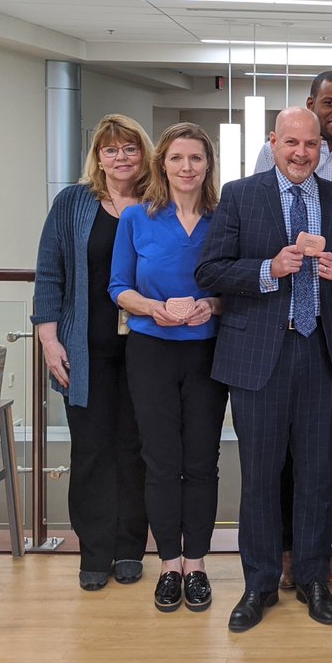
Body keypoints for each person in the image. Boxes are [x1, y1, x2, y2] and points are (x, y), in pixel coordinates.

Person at [196, 106, 332, 632]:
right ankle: (259, 584)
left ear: (323, 147)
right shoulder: (239, 195)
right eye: (292, 142)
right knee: (261, 476)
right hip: (259, 359)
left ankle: (314, 578)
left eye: (311, 145)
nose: (301, 153)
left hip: (325, 354)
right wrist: (266, 270)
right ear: (273, 141)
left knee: (320, 474)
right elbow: (210, 270)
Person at [108, 122, 228, 614]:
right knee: (161, 461)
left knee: (201, 461)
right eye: (177, 158)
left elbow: (233, 284)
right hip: (151, 350)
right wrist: (151, 309)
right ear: (163, 164)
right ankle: (169, 564)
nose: (186, 167)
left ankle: (196, 563)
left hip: (206, 353)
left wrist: (212, 305)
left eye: (195, 159)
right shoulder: (137, 217)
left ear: (208, 166)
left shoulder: (224, 219)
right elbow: (118, 286)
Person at [31, 114, 152, 592]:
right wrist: (48, 338)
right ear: (97, 158)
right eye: (110, 150)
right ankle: (95, 553)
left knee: (136, 450)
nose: (120, 157)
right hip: (83, 351)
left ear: (143, 153)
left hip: (147, 349)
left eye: (129, 148)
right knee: (91, 451)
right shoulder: (73, 203)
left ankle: (129, 548)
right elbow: (49, 271)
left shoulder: (158, 202)